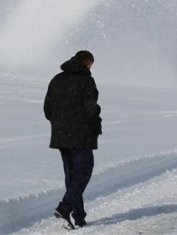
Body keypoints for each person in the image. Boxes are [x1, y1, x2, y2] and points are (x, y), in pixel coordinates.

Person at [44, 50, 102, 229]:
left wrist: (60, 124)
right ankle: (64, 208)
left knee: (72, 175)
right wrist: (95, 125)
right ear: (85, 62)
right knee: (84, 171)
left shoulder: (56, 79)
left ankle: (78, 217)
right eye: (91, 63)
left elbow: (48, 109)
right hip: (81, 135)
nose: (91, 67)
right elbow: (91, 108)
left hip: (61, 135)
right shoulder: (86, 80)